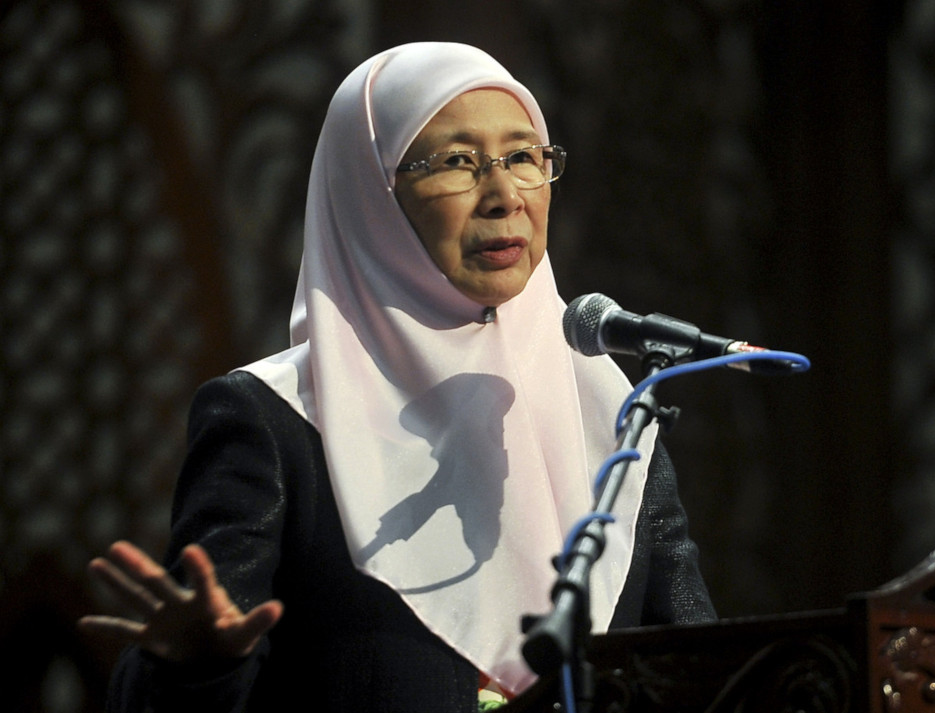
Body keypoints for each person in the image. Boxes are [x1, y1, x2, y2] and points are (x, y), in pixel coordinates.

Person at [78, 42, 715, 712]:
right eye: (457, 162)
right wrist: (198, 669)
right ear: (370, 193)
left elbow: (706, 673)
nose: (504, 196)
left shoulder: (611, 414)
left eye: (524, 157)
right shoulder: (276, 421)